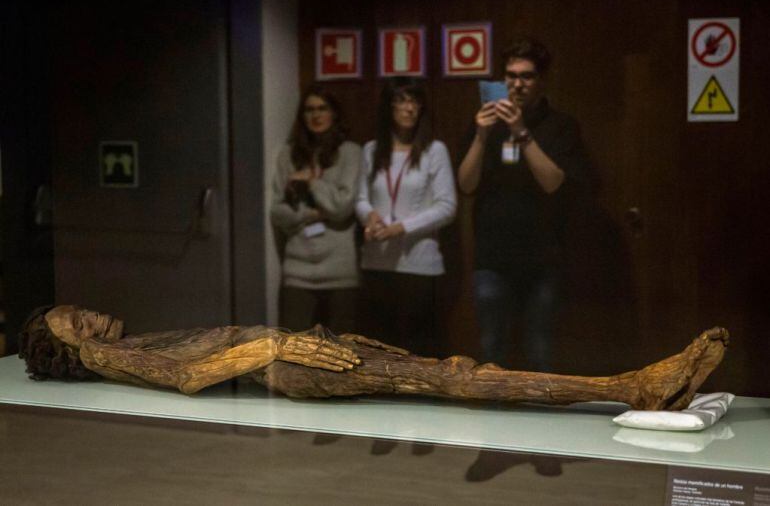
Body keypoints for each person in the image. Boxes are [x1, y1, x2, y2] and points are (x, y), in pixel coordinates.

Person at [19, 304, 729, 413]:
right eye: (78, 324)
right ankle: (631, 387)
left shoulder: (124, 347)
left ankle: (631, 386)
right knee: (455, 378)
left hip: (297, 352)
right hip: (289, 364)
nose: (92, 318)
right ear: (73, 348)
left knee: (450, 372)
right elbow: (191, 377)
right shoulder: (113, 360)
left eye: (82, 311)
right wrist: (282, 345)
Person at [457, 37, 591, 371]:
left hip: (542, 258)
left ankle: (541, 408)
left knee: (540, 351)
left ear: (541, 80)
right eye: (511, 75)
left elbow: (553, 183)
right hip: (492, 257)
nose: (517, 84)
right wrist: (481, 136)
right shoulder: (485, 124)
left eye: (526, 76)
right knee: (491, 349)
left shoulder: (560, 125)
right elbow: (466, 184)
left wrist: (521, 131)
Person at [355, 77, 457, 357]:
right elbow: (361, 199)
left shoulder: (434, 150)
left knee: (418, 351)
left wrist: (400, 227)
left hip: (419, 266)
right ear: (389, 107)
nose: (409, 108)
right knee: (378, 350)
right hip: (377, 261)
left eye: (414, 101)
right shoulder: (371, 150)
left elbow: (447, 206)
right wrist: (370, 217)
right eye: (401, 101)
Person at [270, 85, 362, 334]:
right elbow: (277, 212)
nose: (316, 115)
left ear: (334, 113)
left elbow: (342, 207)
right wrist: (308, 214)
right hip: (297, 272)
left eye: (322, 109)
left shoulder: (350, 152)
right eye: (310, 110)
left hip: (340, 272)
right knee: (293, 347)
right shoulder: (288, 154)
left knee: (341, 349)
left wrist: (312, 182)